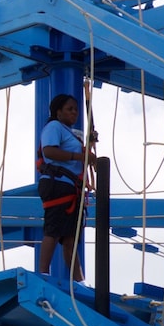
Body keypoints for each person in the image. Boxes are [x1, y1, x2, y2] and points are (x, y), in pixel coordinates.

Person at [37, 93, 97, 282]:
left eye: (76, 110)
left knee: (70, 238)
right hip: (58, 185)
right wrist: (80, 156)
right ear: (58, 111)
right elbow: (49, 151)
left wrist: (89, 146)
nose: (75, 113)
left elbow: (79, 155)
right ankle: (43, 274)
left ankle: (79, 282)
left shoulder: (71, 134)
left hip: (71, 188)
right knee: (53, 231)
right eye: (69, 109)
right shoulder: (54, 127)